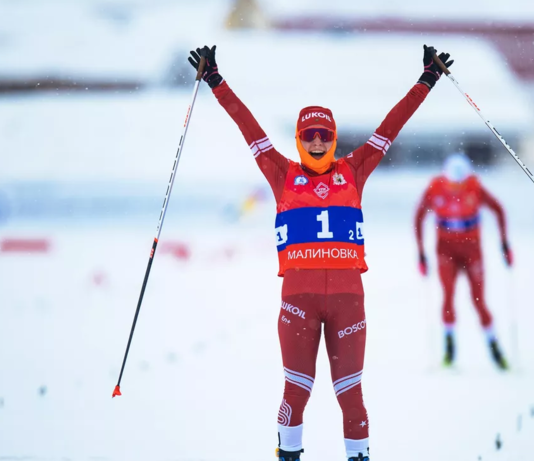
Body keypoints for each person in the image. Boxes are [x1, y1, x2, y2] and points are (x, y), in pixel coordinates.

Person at [189, 44, 453, 461]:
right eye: (308, 136)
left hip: (349, 302)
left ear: (333, 138)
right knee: (297, 390)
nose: (316, 143)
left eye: (324, 136)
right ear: (298, 139)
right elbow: (248, 125)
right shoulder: (280, 172)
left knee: (351, 397)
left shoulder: (355, 168)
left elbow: (393, 124)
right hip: (298, 303)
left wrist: (427, 80)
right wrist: (216, 81)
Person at [414, 154, 512, 370]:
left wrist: (504, 244)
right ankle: (449, 348)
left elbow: (499, 210)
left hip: (471, 251)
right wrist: (421, 253)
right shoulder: (435, 188)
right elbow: (419, 216)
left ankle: (494, 346)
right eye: (452, 183)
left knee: (479, 300)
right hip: (445, 251)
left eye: (460, 183)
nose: (456, 188)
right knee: (448, 296)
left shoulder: (475, 187)